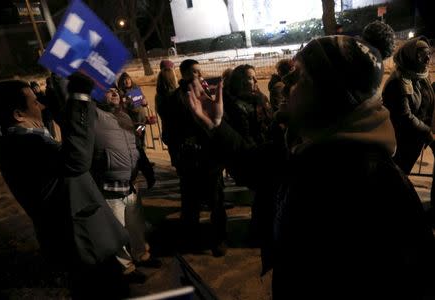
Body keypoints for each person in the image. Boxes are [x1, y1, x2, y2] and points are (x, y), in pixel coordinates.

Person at [186, 35, 435, 299]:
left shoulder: (377, 182)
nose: (286, 84)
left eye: (301, 77)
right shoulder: (304, 142)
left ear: (330, 95)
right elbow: (256, 166)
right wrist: (216, 126)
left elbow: (415, 279)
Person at [0, 73, 131, 298]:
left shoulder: (21, 139)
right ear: (18, 115)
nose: (41, 105)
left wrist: (64, 103)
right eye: (35, 101)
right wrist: (80, 96)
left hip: (81, 241)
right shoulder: (23, 145)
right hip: (81, 243)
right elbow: (77, 160)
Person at [91, 86, 162, 284]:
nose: (114, 93)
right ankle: (126, 268)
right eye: (107, 91)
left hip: (131, 185)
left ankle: (142, 255)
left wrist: (146, 170)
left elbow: (136, 148)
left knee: (136, 226)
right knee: (117, 231)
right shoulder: (92, 117)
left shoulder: (125, 117)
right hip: (109, 188)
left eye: (115, 90)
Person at [165, 59, 228, 257]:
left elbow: (217, 123)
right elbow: (168, 133)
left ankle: (218, 240)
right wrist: (182, 150)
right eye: (194, 72)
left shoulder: (206, 92)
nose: (199, 75)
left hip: (210, 161)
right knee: (191, 205)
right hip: (190, 162)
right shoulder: (175, 99)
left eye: (200, 72)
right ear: (183, 74)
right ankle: (191, 239)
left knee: (217, 203)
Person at [382, 36, 434, 174]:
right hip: (402, 142)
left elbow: (425, 98)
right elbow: (404, 116)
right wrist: (427, 131)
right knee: (397, 176)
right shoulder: (398, 81)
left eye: (429, 54)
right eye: (422, 55)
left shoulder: (421, 75)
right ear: (410, 56)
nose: (428, 59)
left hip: (416, 139)